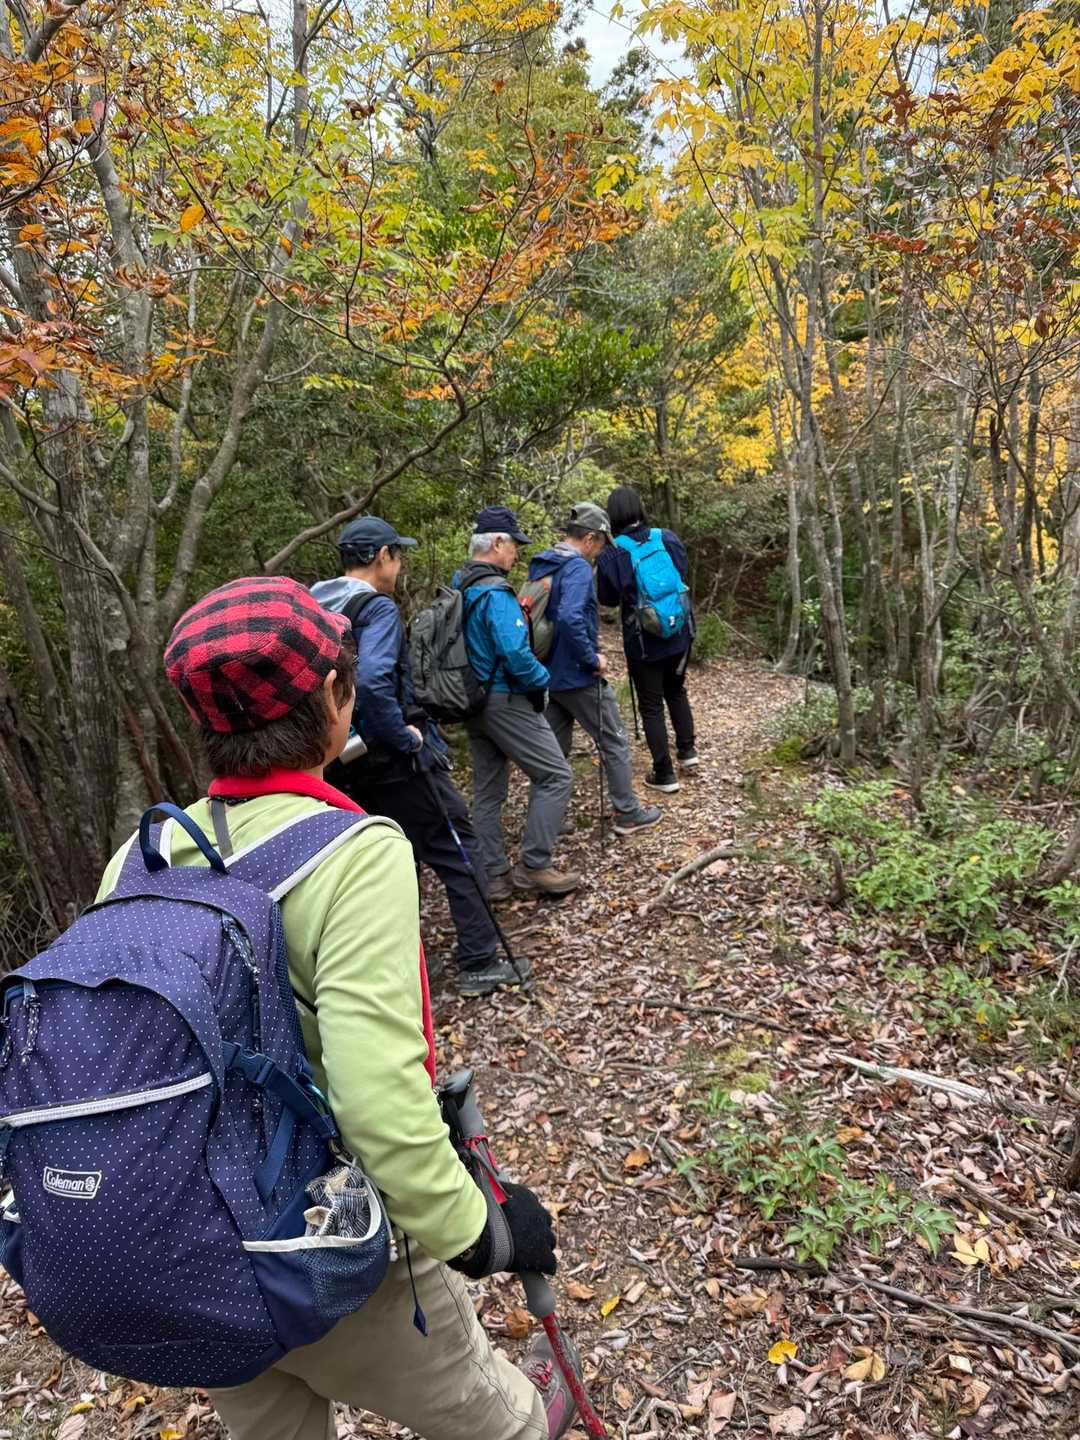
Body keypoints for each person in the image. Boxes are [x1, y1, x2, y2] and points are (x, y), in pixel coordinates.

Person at [95, 575, 576, 1440]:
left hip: (193, 1249)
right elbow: (375, 1097)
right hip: (330, 1241)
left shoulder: (144, 851)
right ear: (334, 695)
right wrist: (479, 1232)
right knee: (501, 1424)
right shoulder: (354, 853)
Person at [311, 517, 526, 999]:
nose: (399, 565)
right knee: (459, 846)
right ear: (381, 556)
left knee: (391, 857)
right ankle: (479, 961)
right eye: (397, 555)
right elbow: (373, 683)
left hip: (341, 763)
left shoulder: (315, 607)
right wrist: (404, 737)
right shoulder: (375, 608)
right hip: (396, 761)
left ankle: (403, 968)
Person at [458, 505, 581, 898]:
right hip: (504, 699)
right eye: (514, 545)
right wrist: (543, 682)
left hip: (471, 701)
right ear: (497, 543)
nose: (516, 554)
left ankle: (494, 875)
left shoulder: (460, 586)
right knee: (556, 775)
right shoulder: (494, 593)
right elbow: (515, 653)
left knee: (488, 789)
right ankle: (536, 865)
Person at [526, 502, 663, 836]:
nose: (600, 552)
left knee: (552, 753)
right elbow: (570, 617)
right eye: (601, 544)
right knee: (614, 740)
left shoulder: (545, 562)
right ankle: (627, 813)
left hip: (548, 673)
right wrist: (592, 659)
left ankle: (548, 821)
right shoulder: (576, 568)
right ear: (590, 538)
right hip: (577, 674)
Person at [596, 486, 698, 793]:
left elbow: (607, 598)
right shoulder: (665, 537)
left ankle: (664, 774)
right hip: (679, 631)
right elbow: (682, 572)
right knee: (676, 690)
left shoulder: (613, 553)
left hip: (644, 641)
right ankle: (688, 752)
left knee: (651, 705)